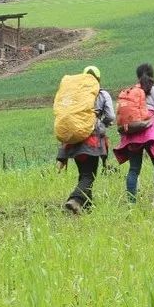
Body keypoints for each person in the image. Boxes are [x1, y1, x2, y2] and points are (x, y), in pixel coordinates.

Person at [114, 63, 154, 204]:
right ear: (152, 74)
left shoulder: (133, 91)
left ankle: (131, 203)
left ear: (138, 76)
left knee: (134, 169)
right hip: (150, 128)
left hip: (133, 128)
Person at [57, 66, 115, 214]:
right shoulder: (102, 94)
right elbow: (110, 116)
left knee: (84, 173)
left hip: (74, 140)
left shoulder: (76, 95)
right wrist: (100, 124)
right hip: (91, 139)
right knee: (90, 175)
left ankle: (87, 206)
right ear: (98, 78)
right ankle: (75, 199)